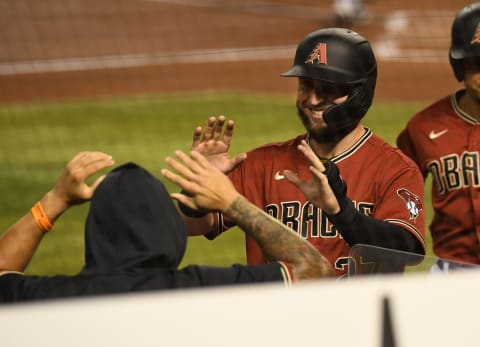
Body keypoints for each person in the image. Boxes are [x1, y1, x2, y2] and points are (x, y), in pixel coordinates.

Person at [178, 27, 426, 277]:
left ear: (359, 93)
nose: (313, 100)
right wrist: (197, 187)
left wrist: (341, 212)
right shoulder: (262, 164)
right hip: (280, 312)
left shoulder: (394, 169)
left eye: (328, 88)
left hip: (357, 312)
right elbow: (189, 225)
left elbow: (405, 250)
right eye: (306, 85)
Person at [0, 151, 334, 303]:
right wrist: (231, 201)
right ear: (169, 229)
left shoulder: (51, 298)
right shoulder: (203, 291)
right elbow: (315, 271)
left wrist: (55, 201)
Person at [396, 3, 480, 269]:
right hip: (452, 272)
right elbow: (397, 193)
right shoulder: (424, 127)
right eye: (478, 63)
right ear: (459, 66)